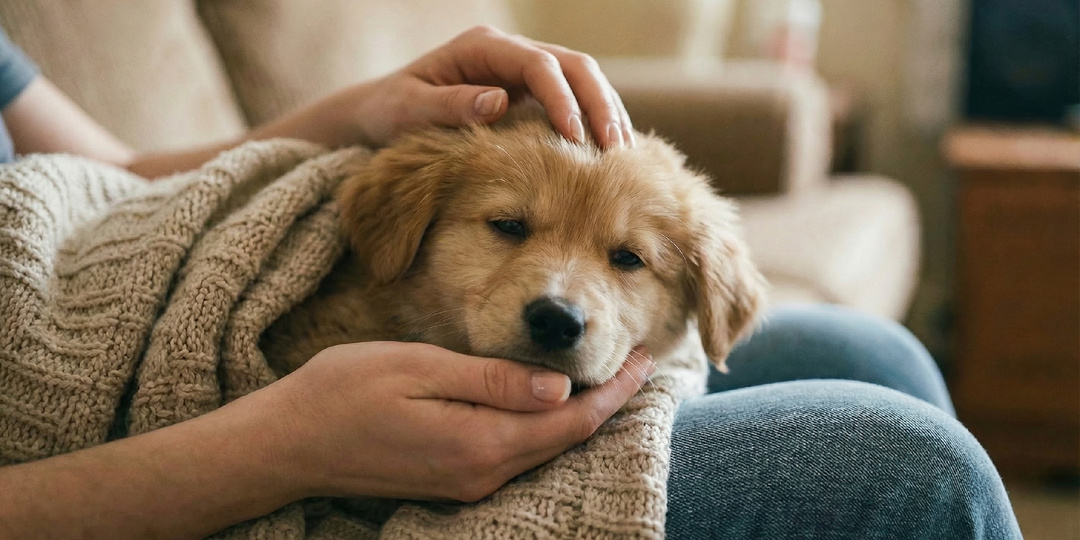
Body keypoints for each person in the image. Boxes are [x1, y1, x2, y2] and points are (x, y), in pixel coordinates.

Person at [0, 24, 1021, 539]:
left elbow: (116, 180)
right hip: (176, 448)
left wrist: (365, 111)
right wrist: (285, 447)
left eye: (627, 257)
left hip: (104, 239)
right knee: (912, 471)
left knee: (874, 353)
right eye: (508, 228)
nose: (562, 295)